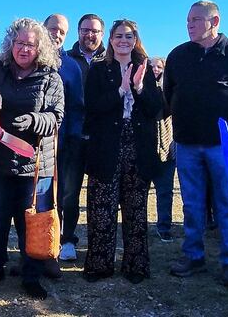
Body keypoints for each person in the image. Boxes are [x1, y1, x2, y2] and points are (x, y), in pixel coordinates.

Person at [164, 0, 228, 287]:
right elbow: (169, 95)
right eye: (187, 20)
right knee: (192, 204)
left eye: (196, 19)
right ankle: (193, 256)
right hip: (187, 143)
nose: (190, 24)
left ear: (215, 21)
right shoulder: (178, 55)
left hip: (227, 145)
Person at [0, 18, 64, 300]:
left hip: (35, 165)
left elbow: (57, 116)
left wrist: (36, 120)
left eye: (30, 44)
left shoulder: (51, 76)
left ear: (40, 48)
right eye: (20, 42)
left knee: (32, 225)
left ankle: (31, 275)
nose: (24, 48)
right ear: (11, 44)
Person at [82, 19, 162, 284]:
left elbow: (155, 109)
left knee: (135, 208)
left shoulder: (146, 68)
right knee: (101, 207)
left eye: (129, 36)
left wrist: (138, 88)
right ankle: (99, 264)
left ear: (135, 39)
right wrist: (120, 90)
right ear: (111, 40)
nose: (123, 40)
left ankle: (135, 265)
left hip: (137, 146)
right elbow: (92, 107)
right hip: (106, 146)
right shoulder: (98, 69)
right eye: (118, 36)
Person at [61, 13, 106, 261]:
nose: (90, 35)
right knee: (69, 191)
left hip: (102, 137)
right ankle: (67, 239)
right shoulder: (66, 60)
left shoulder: (109, 59)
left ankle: (100, 240)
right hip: (73, 136)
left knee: (101, 192)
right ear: (78, 32)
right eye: (85, 30)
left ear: (102, 34)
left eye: (95, 31)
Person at [43, 13, 84, 276]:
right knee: (43, 195)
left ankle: (67, 238)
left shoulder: (72, 67)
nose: (57, 34)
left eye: (62, 32)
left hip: (66, 142)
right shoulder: (30, 58)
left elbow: (79, 106)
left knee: (68, 194)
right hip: (37, 145)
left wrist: (74, 137)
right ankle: (44, 241)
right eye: (53, 29)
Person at [150, 56, 176, 242]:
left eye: (159, 66)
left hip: (166, 148)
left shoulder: (170, 90)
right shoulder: (138, 88)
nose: (155, 69)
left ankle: (164, 226)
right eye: (151, 66)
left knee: (165, 191)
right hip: (145, 148)